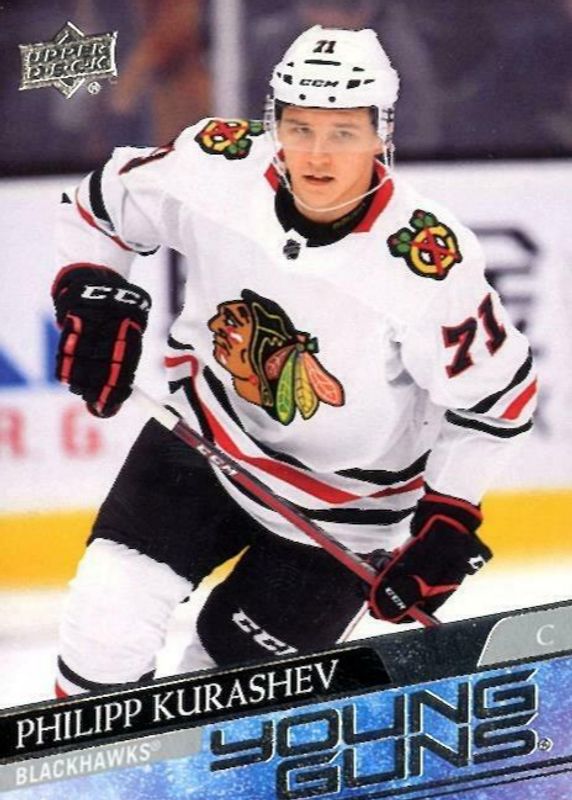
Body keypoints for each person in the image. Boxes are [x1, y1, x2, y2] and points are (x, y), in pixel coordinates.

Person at [51, 26, 536, 696]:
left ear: (381, 133)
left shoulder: (426, 263)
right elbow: (101, 207)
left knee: (229, 692)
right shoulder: (216, 163)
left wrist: (449, 517)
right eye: (299, 127)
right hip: (204, 441)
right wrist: (93, 293)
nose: (316, 153)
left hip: (348, 512)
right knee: (106, 616)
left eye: (343, 132)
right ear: (272, 121)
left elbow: (497, 401)